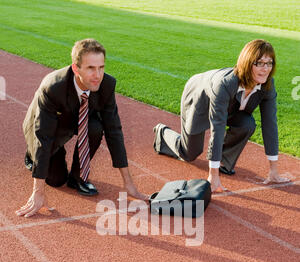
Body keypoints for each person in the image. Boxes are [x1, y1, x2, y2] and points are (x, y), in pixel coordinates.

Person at [16, 38, 147, 218]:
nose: (98, 74)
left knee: (95, 127)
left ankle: (78, 178)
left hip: (79, 117)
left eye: (101, 67)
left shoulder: (107, 85)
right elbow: (43, 136)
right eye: (91, 68)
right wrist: (38, 191)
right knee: (55, 179)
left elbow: (114, 131)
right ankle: (32, 156)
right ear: (76, 68)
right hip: (45, 124)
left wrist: (129, 183)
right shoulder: (53, 87)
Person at [153, 39, 291, 193]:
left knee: (247, 124)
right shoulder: (225, 84)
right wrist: (213, 176)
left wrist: (274, 171)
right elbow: (217, 127)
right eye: (259, 63)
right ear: (247, 63)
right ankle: (162, 134)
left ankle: (224, 162)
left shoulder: (267, 85)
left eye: (269, 63)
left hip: (230, 106)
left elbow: (270, 123)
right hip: (199, 98)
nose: (265, 68)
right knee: (189, 153)